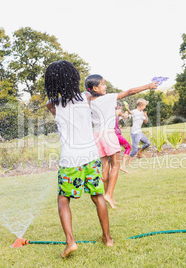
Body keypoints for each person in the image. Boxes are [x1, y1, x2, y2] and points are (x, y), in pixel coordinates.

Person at [45, 60, 113, 258]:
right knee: (97, 196)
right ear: (74, 78)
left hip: (70, 160)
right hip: (91, 157)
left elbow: (57, 102)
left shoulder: (52, 105)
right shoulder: (85, 97)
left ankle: (71, 242)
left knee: (63, 200)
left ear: (52, 84)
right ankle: (108, 239)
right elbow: (93, 95)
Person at [86, 74, 158, 208]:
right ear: (95, 88)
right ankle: (109, 195)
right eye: (102, 84)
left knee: (105, 167)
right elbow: (129, 92)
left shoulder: (89, 101)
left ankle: (106, 197)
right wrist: (148, 86)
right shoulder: (107, 99)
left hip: (96, 136)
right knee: (115, 165)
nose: (105, 86)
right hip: (108, 134)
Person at [126, 98, 151, 165]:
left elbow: (146, 122)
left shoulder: (141, 113)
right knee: (135, 149)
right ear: (140, 105)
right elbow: (130, 112)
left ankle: (139, 153)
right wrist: (127, 108)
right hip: (135, 133)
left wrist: (145, 115)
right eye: (144, 106)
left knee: (148, 143)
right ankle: (128, 162)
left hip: (140, 132)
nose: (145, 107)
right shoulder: (135, 111)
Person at [115, 101, 132, 173]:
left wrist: (120, 118)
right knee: (128, 147)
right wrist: (126, 112)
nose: (120, 109)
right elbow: (125, 117)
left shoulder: (108, 113)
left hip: (108, 135)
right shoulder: (118, 111)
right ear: (117, 106)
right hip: (117, 135)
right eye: (120, 107)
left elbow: (116, 120)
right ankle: (123, 166)